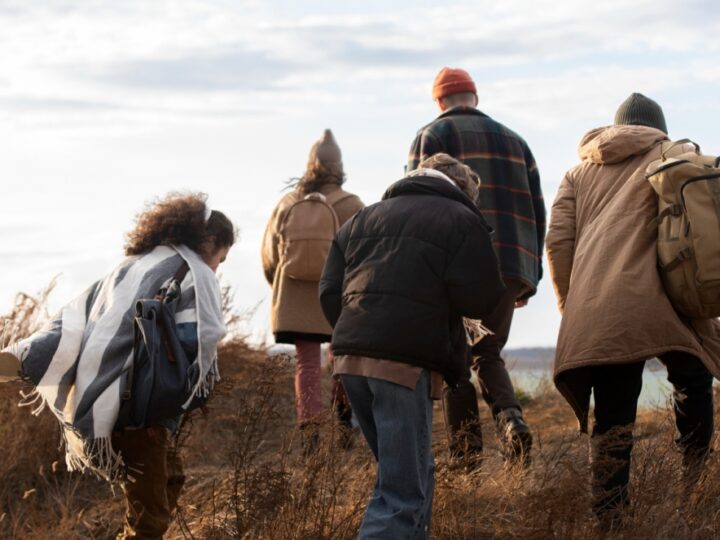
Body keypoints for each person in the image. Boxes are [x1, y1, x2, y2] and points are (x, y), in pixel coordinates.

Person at [3, 192, 235, 539]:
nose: (219, 265)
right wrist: (193, 386)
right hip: (143, 409)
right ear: (211, 242)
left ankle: (28, 354)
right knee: (150, 519)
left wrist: (27, 354)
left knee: (169, 482)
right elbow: (195, 340)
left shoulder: (131, 266)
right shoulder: (196, 274)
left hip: (109, 401)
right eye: (222, 257)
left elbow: (76, 320)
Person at [546, 93, 720, 527]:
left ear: (615, 127)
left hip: (604, 305)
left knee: (613, 414)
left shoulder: (578, 172)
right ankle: (694, 488)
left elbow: (558, 244)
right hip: (673, 298)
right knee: (693, 382)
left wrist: (574, 306)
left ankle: (609, 518)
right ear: (656, 126)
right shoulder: (677, 154)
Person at [320, 153, 506, 539]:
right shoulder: (461, 219)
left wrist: (360, 331)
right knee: (400, 494)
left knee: (415, 474)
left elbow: (328, 292)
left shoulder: (362, 219)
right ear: (464, 192)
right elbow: (482, 298)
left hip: (352, 360)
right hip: (401, 367)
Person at [407, 67, 545, 465]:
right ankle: (510, 418)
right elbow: (538, 211)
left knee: (456, 360)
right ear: (475, 98)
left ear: (439, 101)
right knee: (487, 349)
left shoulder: (431, 137)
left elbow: (414, 204)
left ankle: (466, 457)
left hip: (458, 264)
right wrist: (527, 277)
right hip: (511, 265)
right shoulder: (517, 141)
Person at [262, 129, 364, 451]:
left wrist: (280, 286)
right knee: (342, 357)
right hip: (338, 294)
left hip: (294, 296)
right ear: (340, 166)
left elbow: (270, 255)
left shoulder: (287, 203)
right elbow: (363, 254)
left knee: (306, 362)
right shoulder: (352, 205)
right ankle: (345, 419)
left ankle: (309, 431)